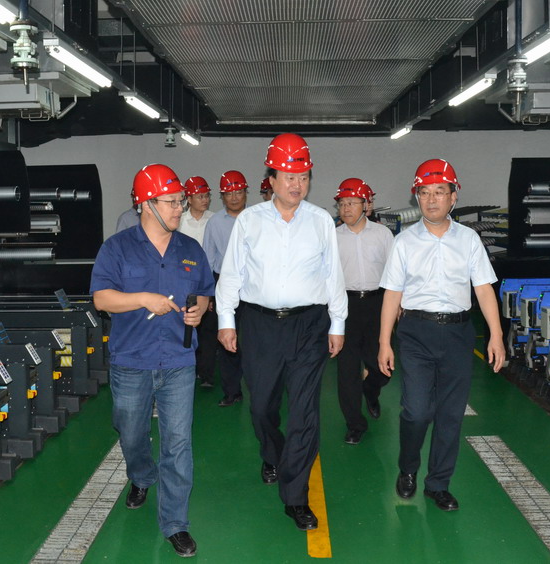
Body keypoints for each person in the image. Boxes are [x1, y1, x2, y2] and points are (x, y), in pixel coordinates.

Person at [216, 133, 347, 531]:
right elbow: (232, 273)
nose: (297, 184)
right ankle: (272, 453)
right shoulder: (250, 221)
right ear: (271, 179)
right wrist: (226, 320)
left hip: (309, 325)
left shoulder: (321, 221)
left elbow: (333, 275)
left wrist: (337, 323)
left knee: (305, 413)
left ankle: (295, 496)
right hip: (259, 325)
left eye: (303, 177)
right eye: (289, 176)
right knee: (261, 407)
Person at [91, 164, 215, 558]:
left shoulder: (190, 249)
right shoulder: (117, 248)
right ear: (147, 205)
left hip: (179, 359)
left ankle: (175, 523)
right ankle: (142, 475)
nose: (180, 208)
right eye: (172, 202)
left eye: (181, 201)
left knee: (178, 442)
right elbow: (101, 299)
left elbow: (204, 292)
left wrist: (200, 311)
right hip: (132, 360)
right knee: (131, 431)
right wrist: (143, 298)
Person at [377, 158, 505, 513]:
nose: (431, 199)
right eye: (424, 192)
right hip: (416, 332)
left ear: (453, 196)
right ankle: (408, 468)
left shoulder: (469, 240)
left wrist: (495, 335)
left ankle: (438, 484)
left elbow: (483, 289)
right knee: (417, 411)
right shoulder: (403, 242)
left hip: (459, 334)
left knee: (450, 415)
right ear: (416, 197)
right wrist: (384, 342)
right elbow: (392, 294)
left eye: (439, 192)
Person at [333, 178, 394, 445]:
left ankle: (371, 388)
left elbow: (395, 273)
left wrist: (398, 304)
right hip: (345, 306)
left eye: (352, 203)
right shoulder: (332, 237)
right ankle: (355, 424)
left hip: (378, 304)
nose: (346, 208)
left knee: (382, 365)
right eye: (342, 203)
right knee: (347, 370)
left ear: (366, 205)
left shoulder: (383, 234)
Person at [202, 170, 248, 406]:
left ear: (245, 193)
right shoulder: (215, 223)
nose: (234, 197)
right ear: (222, 196)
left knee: (254, 340)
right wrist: (210, 295)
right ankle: (232, 391)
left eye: (238, 192)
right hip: (224, 283)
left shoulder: (256, 218)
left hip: (253, 285)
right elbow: (208, 259)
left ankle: (261, 390)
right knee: (228, 338)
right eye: (229, 193)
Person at [179, 176, 216, 389]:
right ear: (189, 198)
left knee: (208, 331)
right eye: (200, 196)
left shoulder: (214, 220)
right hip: (184, 280)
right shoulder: (179, 221)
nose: (205, 200)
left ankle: (207, 374)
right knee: (186, 325)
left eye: (207, 195)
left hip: (208, 279)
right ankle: (188, 370)